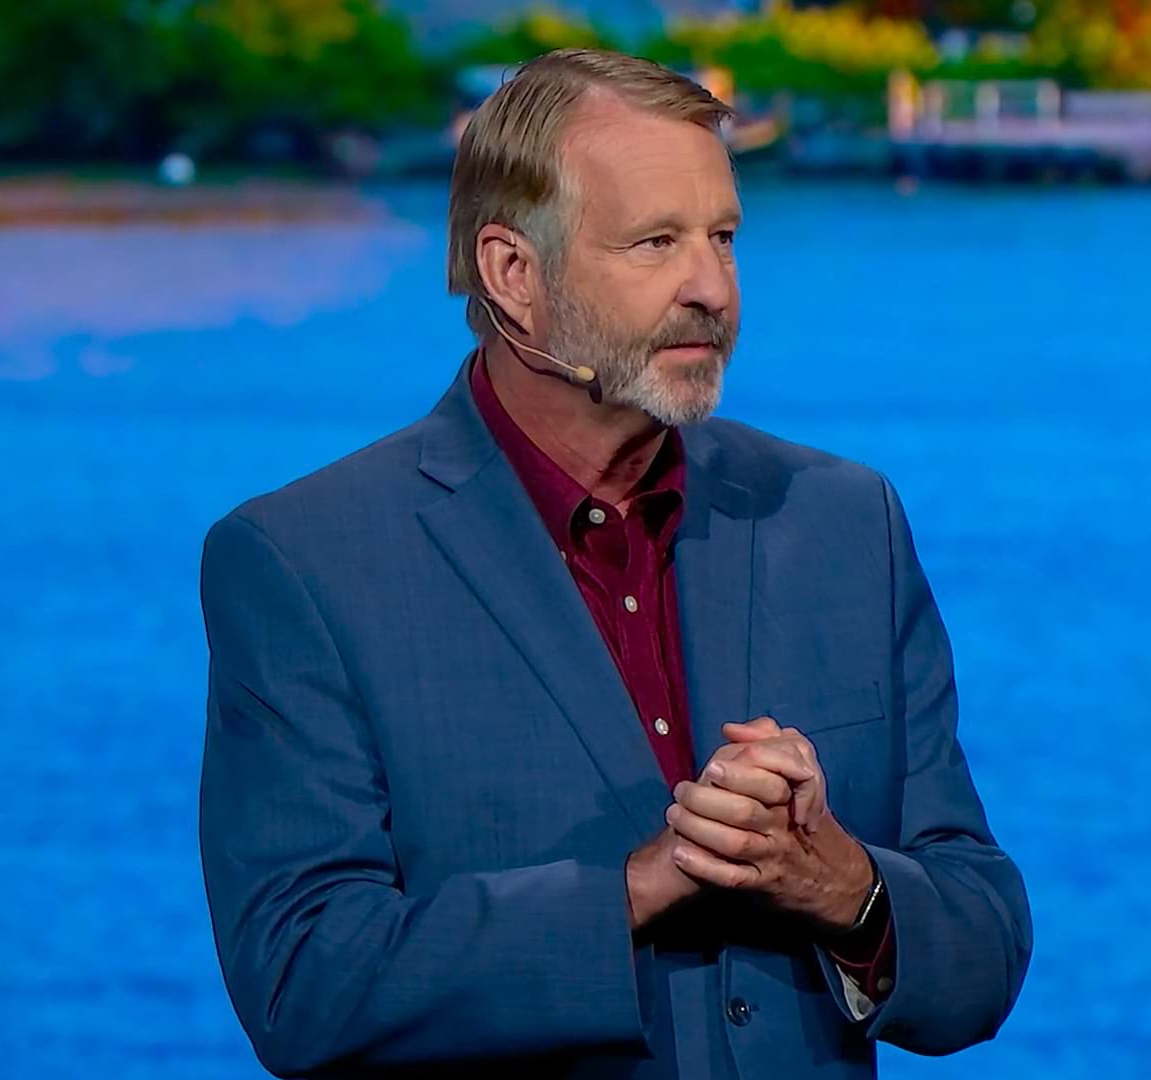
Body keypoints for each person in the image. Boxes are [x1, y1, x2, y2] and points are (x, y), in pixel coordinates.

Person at [197, 48, 1032, 1079]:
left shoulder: (844, 522)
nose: (710, 289)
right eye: (655, 244)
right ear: (515, 274)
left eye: (723, 238)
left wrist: (841, 883)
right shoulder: (303, 563)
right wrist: (645, 883)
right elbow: (305, 985)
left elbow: (983, 952)